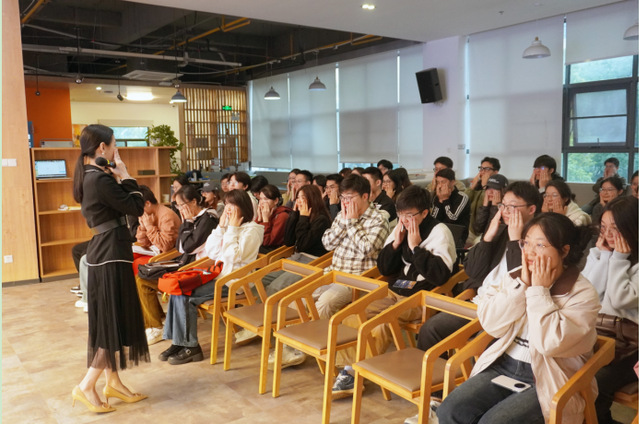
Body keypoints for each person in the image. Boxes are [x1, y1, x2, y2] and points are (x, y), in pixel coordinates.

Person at [436, 213, 600, 424]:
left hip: (548, 377)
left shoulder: (582, 293)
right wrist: (522, 285)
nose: (530, 252)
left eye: (540, 245)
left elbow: (549, 344)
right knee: (449, 410)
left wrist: (539, 291)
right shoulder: (517, 276)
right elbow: (491, 325)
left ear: (564, 251)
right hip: (504, 364)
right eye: (526, 243)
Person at [331, 185, 456, 399]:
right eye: (400, 214)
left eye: (409, 215)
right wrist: (396, 244)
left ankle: (353, 373)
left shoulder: (440, 232)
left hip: (421, 298)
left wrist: (416, 248)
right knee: (353, 315)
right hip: (396, 291)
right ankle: (349, 367)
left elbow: (440, 276)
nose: (404, 220)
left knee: (381, 325)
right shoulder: (401, 227)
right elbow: (384, 268)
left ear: (424, 213)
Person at [71, 124, 148, 413]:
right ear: (102, 148)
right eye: (115, 144)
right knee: (112, 324)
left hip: (107, 252)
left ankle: (113, 382)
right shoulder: (99, 180)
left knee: (110, 322)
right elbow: (136, 206)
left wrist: (116, 176)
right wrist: (125, 174)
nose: (116, 150)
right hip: (110, 254)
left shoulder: (91, 176)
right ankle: (86, 385)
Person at [417, 181, 542, 354]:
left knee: (480, 346)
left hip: (508, 312)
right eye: (503, 205)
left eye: (512, 207)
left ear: (531, 209)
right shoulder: (500, 231)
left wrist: (515, 242)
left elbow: (521, 284)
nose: (505, 211)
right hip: (480, 302)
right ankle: (435, 372)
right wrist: (488, 238)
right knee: (430, 330)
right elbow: (472, 270)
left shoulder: (540, 241)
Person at [160, 189, 264, 365]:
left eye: (233, 205)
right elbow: (212, 251)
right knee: (178, 289)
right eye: (227, 204)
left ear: (243, 207)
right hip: (218, 276)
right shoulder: (229, 227)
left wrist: (232, 229)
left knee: (185, 295)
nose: (228, 209)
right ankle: (178, 342)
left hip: (234, 283)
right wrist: (221, 228)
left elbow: (234, 256)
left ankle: (191, 347)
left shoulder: (253, 230)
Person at [136, 184, 218, 346]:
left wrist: (187, 221)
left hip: (195, 270)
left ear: (194, 202)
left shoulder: (208, 219)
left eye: (182, 205)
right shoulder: (193, 218)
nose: (180, 209)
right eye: (178, 206)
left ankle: (156, 327)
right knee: (142, 278)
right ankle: (155, 324)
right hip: (184, 264)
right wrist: (187, 222)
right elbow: (180, 246)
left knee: (145, 280)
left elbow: (187, 247)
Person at [582, 196, 638, 424]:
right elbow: (588, 293)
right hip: (598, 336)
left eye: (615, 228)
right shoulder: (604, 253)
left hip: (630, 346)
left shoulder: (625, 260)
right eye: (604, 228)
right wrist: (604, 256)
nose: (608, 234)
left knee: (593, 383)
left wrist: (619, 259)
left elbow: (620, 298)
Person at [317, 174, 390, 318]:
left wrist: (351, 223)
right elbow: (327, 244)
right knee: (300, 297)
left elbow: (367, 250)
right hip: (333, 273)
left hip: (357, 279)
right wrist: (344, 222)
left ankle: (319, 333)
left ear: (365, 196)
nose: (345, 202)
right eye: (343, 197)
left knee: (325, 303)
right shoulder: (341, 215)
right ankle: (295, 333)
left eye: (349, 197)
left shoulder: (379, 219)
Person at [132, 185, 182, 275]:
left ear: (148, 203)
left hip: (169, 255)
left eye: (139, 207)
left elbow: (165, 246)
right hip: (155, 251)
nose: (138, 211)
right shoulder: (148, 215)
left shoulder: (167, 216)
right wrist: (143, 227)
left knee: (137, 263)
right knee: (130, 257)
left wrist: (149, 226)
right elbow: (142, 242)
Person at [430, 168, 471, 242]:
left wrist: (445, 199)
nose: (440, 186)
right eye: (438, 182)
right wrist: (440, 201)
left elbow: (452, 219)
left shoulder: (462, 197)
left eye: (443, 182)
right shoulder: (437, 197)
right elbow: (433, 220)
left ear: (452, 182)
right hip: (440, 234)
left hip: (457, 235)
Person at [466, 157, 501, 240]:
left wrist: (485, 186)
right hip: (470, 229)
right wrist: (472, 187)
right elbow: (464, 201)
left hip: (484, 231)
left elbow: (486, 206)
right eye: (481, 168)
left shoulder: (498, 188)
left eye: (487, 169)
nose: (482, 172)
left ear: (496, 172)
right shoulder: (477, 186)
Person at [256, 184, 292, 253]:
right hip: (261, 247)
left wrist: (265, 220)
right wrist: (259, 218)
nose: (262, 202)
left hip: (274, 251)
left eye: (266, 199)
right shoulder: (263, 212)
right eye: (260, 199)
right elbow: (253, 235)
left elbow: (267, 242)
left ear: (276, 201)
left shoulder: (282, 216)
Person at [472, 174, 508, 239]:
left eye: (495, 188)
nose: (490, 191)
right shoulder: (487, 204)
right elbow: (477, 229)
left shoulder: (507, 208)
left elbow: (491, 233)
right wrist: (484, 207)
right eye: (488, 188)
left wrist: (495, 208)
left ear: (503, 191)